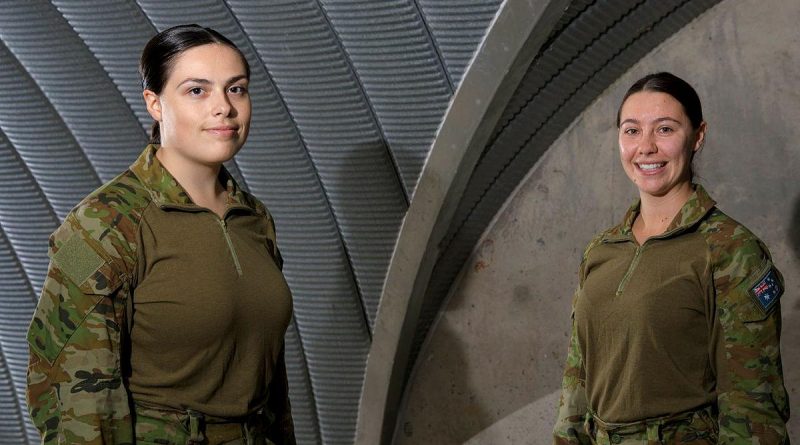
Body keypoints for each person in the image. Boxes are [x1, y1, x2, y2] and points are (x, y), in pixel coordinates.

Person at [26, 24, 295, 445]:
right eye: (197, 91)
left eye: (237, 89)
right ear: (154, 103)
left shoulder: (253, 219)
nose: (223, 107)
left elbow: (267, 378)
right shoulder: (95, 225)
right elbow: (71, 384)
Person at [552, 72, 790, 444]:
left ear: (697, 136)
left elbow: (752, 403)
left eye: (664, 129)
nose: (645, 147)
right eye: (632, 131)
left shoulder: (729, 249)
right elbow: (577, 379)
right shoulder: (601, 250)